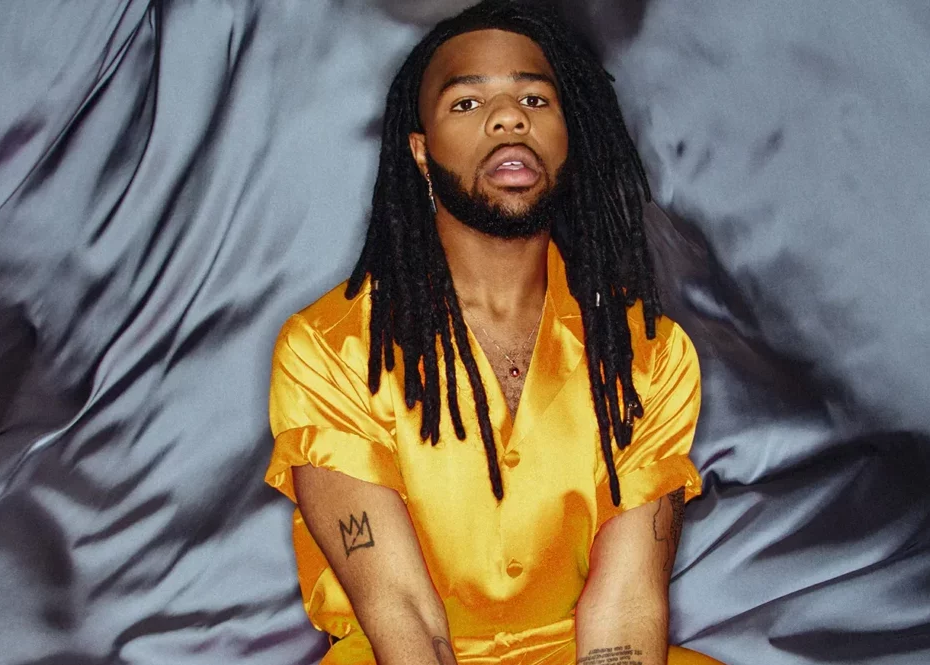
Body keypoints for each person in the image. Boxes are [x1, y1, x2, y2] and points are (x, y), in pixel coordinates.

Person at [265, 2, 724, 664]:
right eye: (467, 102)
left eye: (534, 98)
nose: (509, 118)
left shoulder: (647, 352)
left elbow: (624, 608)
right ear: (421, 154)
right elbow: (404, 616)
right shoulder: (329, 348)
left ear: (568, 138)